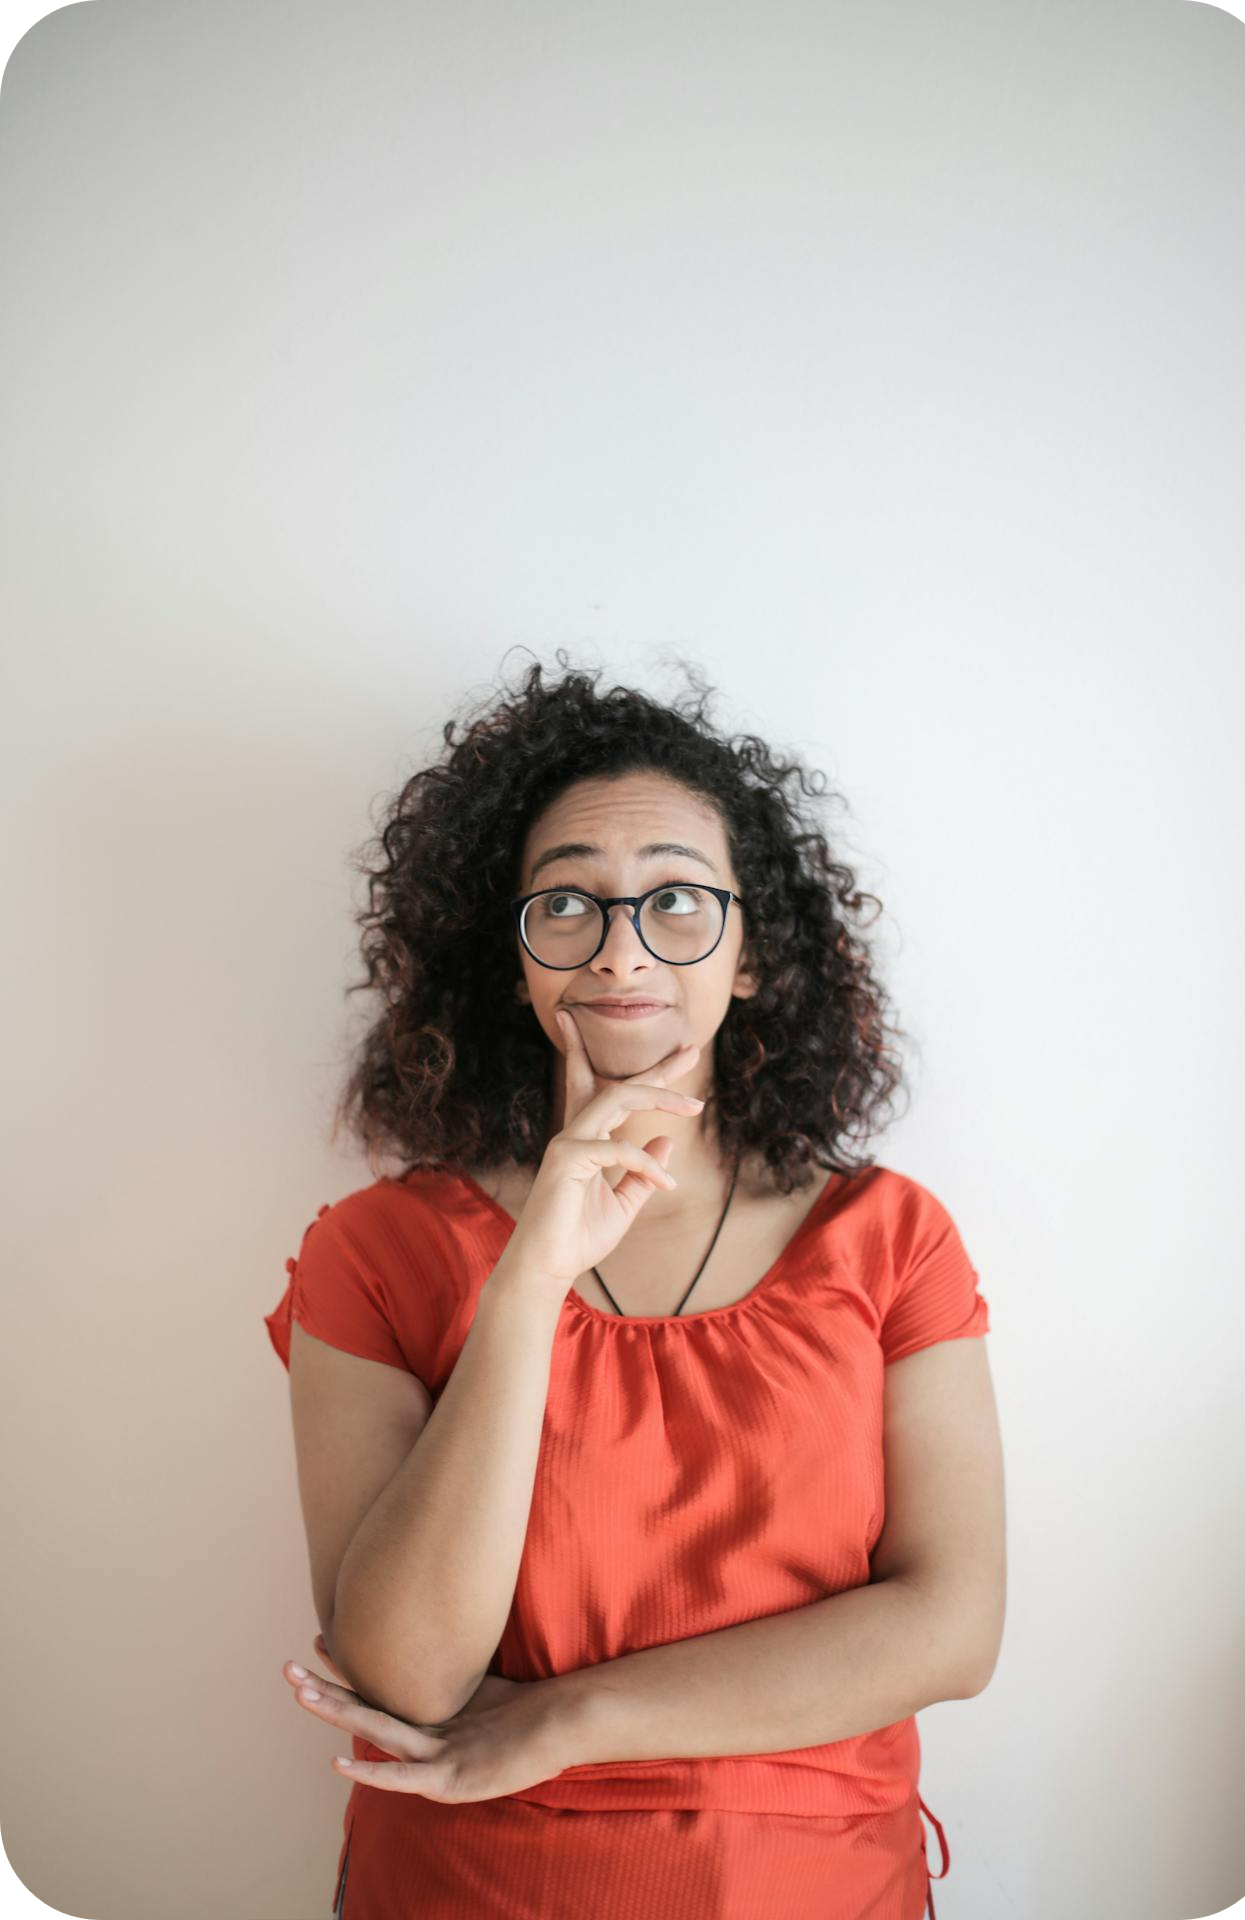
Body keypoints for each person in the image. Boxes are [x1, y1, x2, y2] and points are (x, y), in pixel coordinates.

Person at [263, 650, 1004, 1918]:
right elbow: (407, 1676)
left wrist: (563, 1721)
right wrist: (530, 1275)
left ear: (751, 954)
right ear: (514, 959)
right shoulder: (373, 1253)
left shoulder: (889, 1238)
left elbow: (950, 1629)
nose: (620, 950)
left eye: (676, 901)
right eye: (566, 904)